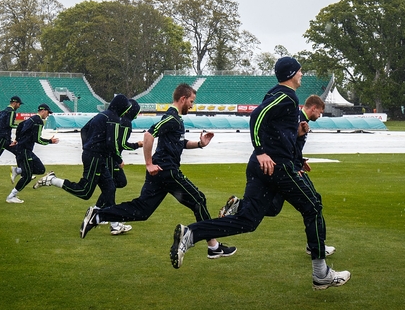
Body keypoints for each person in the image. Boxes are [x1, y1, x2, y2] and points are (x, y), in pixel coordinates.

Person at [168, 58, 350, 290]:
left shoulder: (278, 94)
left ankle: (191, 234)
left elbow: (277, 132)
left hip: (263, 166)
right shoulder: (286, 95)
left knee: (250, 220)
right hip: (277, 167)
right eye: (300, 71)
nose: (302, 75)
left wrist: (298, 135)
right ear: (291, 73)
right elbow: (256, 117)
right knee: (313, 206)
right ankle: (321, 273)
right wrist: (262, 151)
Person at [79, 84, 236, 260]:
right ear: (183, 99)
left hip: (160, 174)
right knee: (198, 200)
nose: (192, 105)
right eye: (191, 101)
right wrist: (148, 163)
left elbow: (179, 143)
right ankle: (213, 247)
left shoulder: (176, 120)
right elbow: (149, 135)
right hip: (166, 171)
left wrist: (199, 144)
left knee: (142, 211)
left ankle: (98, 215)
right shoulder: (171, 118)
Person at [217, 94, 336, 257]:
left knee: (273, 208)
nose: (320, 115)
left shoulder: (302, 121)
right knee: (314, 202)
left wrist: (300, 160)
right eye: (320, 112)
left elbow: (291, 147)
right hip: (287, 171)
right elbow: (286, 144)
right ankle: (316, 246)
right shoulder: (297, 118)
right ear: (313, 108)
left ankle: (239, 205)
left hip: (288, 168)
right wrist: (295, 164)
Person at [33, 94, 133, 222]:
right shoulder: (113, 118)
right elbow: (111, 143)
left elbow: (84, 130)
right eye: (126, 108)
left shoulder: (102, 115)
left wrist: (86, 146)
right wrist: (118, 159)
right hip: (95, 157)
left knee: (110, 189)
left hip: (95, 156)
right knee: (84, 191)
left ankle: (114, 224)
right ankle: (52, 180)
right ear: (121, 107)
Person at [95, 98, 143, 235]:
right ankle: (109, 219)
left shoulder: (116, 118)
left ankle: (99, 210)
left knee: (115, 184)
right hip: (111, 158)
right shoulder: (126, 123)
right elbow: (121, 144)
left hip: (106, 156)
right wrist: (137, 145)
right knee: (114, 185)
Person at [6, 103, 59, 203]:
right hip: (24, 151)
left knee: (40, 169)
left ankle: (17, 170)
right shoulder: (38, 121)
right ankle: (11, 196)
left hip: (24, 150)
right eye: (48, 113)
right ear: (43, 110)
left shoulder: (31, 119)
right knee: (27, 176)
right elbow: (38, 139)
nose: (48, 115)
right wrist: (50, 141)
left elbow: (20, 126)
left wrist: (16, 139)